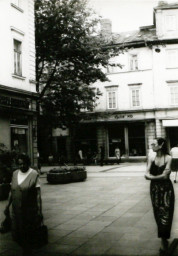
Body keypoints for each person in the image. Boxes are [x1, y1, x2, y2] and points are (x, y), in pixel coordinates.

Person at [4, 154, 43, 256]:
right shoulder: (15, 173)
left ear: (28, 163)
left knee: (27, 234)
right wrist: (7, 206)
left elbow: (38, 195)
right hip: (16, 210)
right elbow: (12, 192)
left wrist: (39, 211)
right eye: (19, 164)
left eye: (24, 164)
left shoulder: (34, 174)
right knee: (16, 234)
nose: (21, 166)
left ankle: (27, 251)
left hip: (29, 211)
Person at [144, 138, 174, 255]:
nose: (152, 145)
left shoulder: (168, 158)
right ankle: (163, 238)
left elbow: (165, 177)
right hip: (155, 190)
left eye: (154, 144)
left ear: (161, 145)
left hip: (166, 190)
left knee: (166, 214)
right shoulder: (152, 158)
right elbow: (146, 174)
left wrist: (152, 177)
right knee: (157, 213)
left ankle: (164, 240)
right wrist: (158, 177)